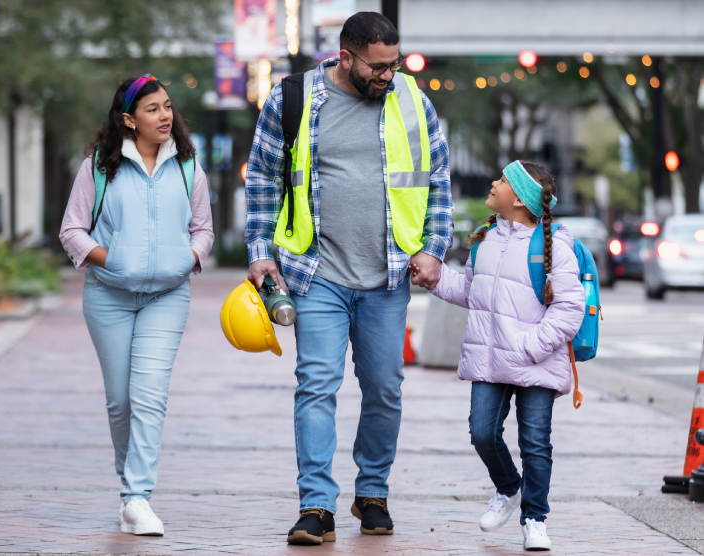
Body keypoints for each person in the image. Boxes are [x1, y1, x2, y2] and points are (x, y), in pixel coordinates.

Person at [244, 11, 453, 545]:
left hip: (387, 277)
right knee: (316, 386)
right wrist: (261, 251)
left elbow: (438, 178)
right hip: (316, 274)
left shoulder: (411, 100)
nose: (388, 75)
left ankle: (373, 492)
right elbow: (266, 176)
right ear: (346, 56)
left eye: (394, 63)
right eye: (378, 67)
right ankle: (315, 505)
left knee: (384, 389)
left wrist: (433, 249)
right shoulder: (294, 99)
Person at [59, 75, 214, 536]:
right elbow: (72, 231)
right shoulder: (98, 168)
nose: (165, 115)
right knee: (121, 401)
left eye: (167, 106)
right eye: (152, 109)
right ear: (129, 120)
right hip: (108, 296)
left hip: (167, 297)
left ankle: (137, 497)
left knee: (149, 396)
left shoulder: (188, 167)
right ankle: (131, 494)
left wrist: (186, 258)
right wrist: (116, 259)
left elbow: (203, 229)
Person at [412, 161, 584, 551]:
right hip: (490, 361)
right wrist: (435, 279)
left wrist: (531, 346)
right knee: (482, 433)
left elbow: (570, 308)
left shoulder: (552, 245)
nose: (494, 183)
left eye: (504, 181)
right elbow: (472, 290)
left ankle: (535, 518)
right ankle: (509, 488)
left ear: (521, 199)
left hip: (535, 361)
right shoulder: (486, 239)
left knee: (536, 442)